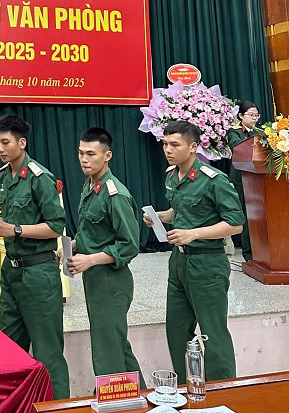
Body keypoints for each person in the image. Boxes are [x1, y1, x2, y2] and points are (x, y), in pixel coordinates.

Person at [143, 120, 244, 384]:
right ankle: (185, 387)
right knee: (177, 331)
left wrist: (193, 234)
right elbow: (180, 210)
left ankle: (225, 389)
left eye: (175, 144)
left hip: (207, 263)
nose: (168, 150)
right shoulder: (171, 175)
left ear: (193, 147)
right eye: (165, 144)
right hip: (179, 263)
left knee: (213, 332)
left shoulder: (214, 180)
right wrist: (161, 217)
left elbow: (235, 224)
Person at [0, 114, 70, 399]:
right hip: (12, 271)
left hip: (38, 272)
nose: (0, 148)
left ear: (21, 143)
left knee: (48, 351)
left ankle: (59, 404)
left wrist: (15, 229)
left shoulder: (39, 178)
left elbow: (55, 226)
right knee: (8, 347)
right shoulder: (2, 176)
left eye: (5, 142)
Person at [67, 127, 145, 386]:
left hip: (111, 281)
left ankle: (114, 401)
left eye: (91, 154)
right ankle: (142, 398)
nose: (84, 159)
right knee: (115, 346)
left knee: (106, 352)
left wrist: (90, 259)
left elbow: (129, 245)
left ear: (107, 155)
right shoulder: (91, 185)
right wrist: (72, 247)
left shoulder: (116, 194)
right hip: (95, 278)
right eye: (81, 153)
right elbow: (93, 233)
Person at [227, 101, 261, 261]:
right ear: (241, 116)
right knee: (247, 216)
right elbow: (236, 146)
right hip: (241, 179)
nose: (254, 118)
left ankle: (261, 251)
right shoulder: (234, 131)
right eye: (251, 115)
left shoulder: (260, 132)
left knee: (258, 215)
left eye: (257, 115)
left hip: (258, 179)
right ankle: (248, 254)